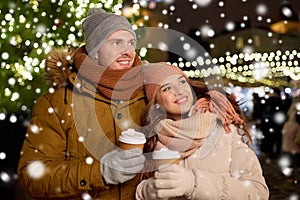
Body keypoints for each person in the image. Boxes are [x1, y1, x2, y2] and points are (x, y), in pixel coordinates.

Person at [17, 8, 147, 199]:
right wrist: (100, 172)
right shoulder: (58, 101)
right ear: (95, 52)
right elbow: (33, 176)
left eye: (131, 43)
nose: (127, 52)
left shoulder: (149, 93)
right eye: (116, 43)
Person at [136, 62, 269, 199]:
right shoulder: (152, 142)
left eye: (181, 82)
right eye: (167, 88)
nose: (179, 90)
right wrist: (148, 191)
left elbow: (257, 192)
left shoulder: (225, 129)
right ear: (156, 104)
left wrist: (194, 184)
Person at [281, 96, 300, 183]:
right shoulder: (297, 126)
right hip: (295, 148)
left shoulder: (288, 124)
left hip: (288, 147)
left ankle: (292, 177)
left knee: (292, 163)